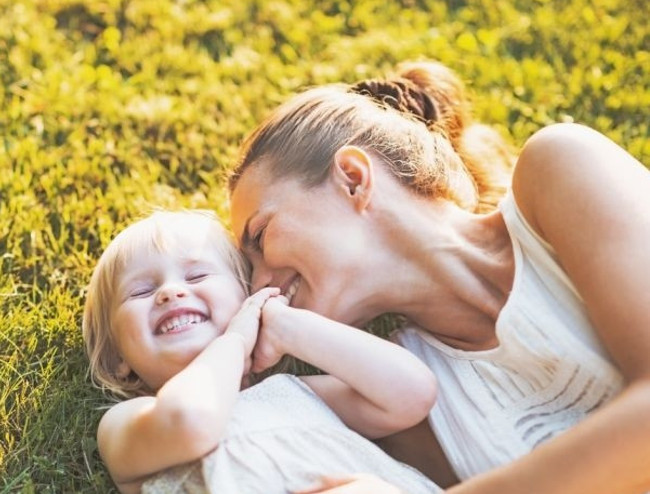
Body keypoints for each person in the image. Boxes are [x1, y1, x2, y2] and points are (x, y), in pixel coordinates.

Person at [227, 59, 650, 493]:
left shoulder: (561, 167)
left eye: (260, 236)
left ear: (352, 178)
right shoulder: (403, 403)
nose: (259, 284)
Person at [81, 209, 442, 493]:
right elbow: (190, 421)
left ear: (246, 299)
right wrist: (235, 342)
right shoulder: (128, 421)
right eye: (141, 291)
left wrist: (288, 327)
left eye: (196, 277)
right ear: (118, 360)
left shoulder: (293, 394)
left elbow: (412, 393)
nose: (170, 292)